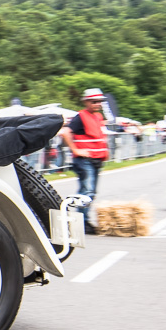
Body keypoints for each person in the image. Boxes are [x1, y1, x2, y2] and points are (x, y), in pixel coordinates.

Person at [60, 88, 109, 233]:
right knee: (86, 191)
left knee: (91, 192)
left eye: (99, 101)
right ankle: (82, 223)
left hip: (96, 159)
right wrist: (75, 150)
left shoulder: (98, 117)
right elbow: (65, 132)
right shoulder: (80, 117)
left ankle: (82, 221)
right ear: (86, 102)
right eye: (94, 102)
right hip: (84, 159)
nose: (97, 104)